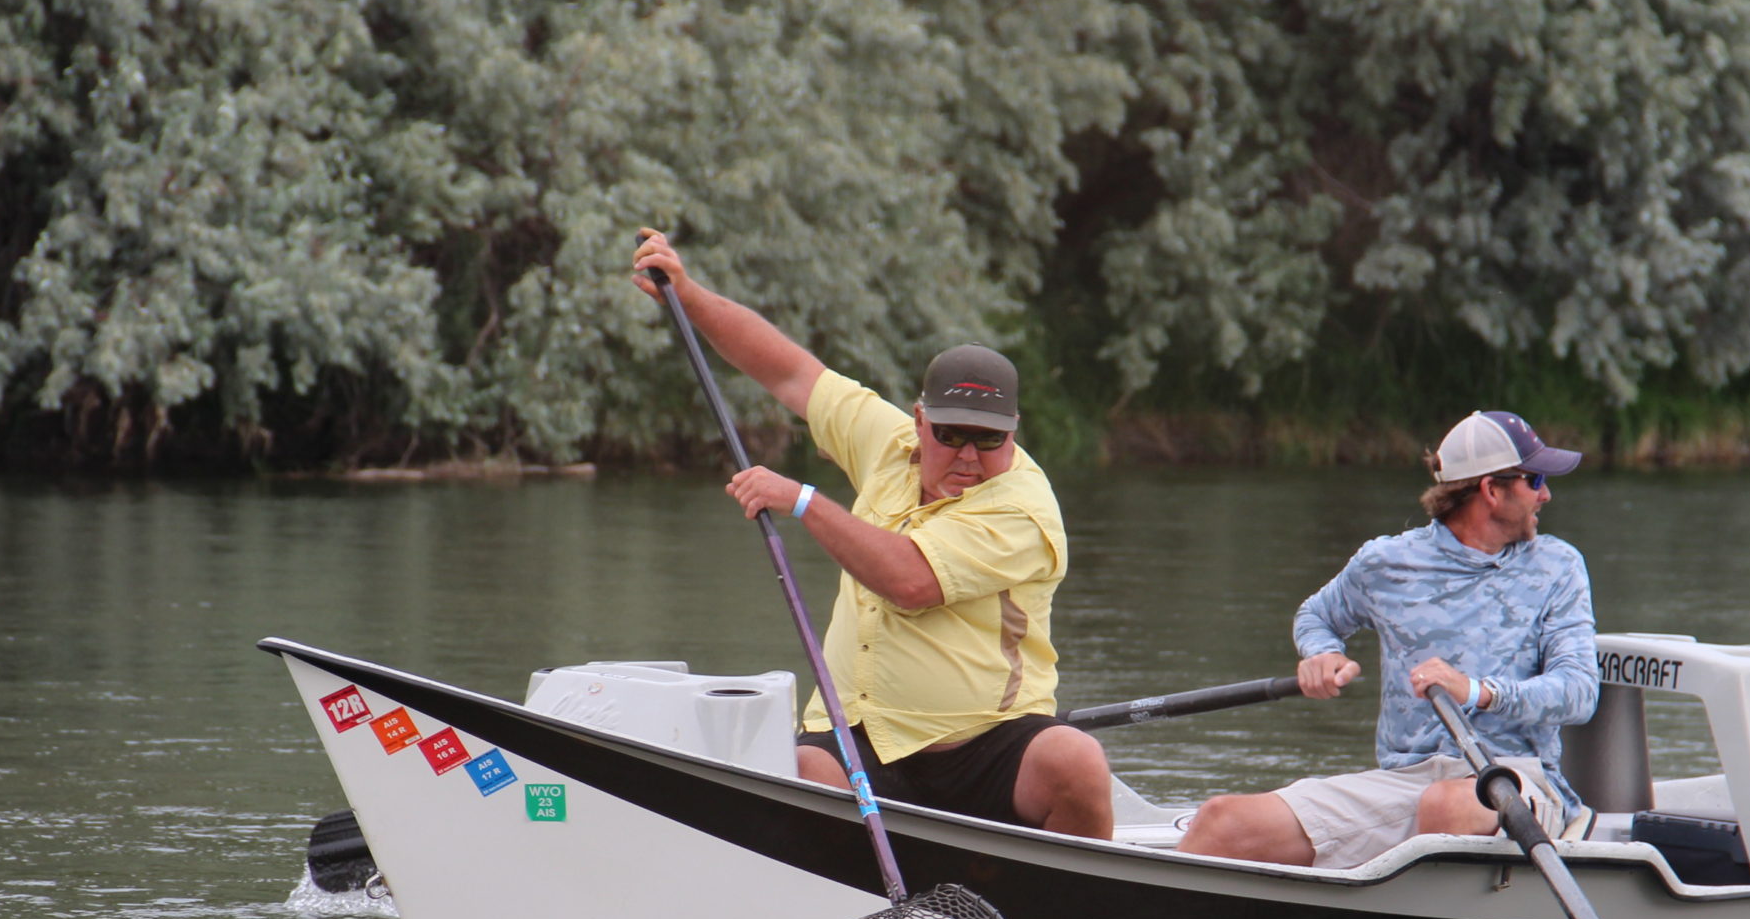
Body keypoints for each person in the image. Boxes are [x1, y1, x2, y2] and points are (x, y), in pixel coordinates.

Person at [629, 229, 1113, 838]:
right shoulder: (891, 444)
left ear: (1013, 432)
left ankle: (1077, 911)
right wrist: (690, 296)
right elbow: (788, 374)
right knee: (801, 770)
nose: (967, 455)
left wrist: (803, 500)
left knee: (1077, 760)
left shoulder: (1022, 509)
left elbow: (908, 579)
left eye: (988, 438)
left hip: (988, 745)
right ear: (920, 421)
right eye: (951, 434)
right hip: (857, 736)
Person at [1176, 410, 1597, 867]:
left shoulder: (1558, 566)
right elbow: (1317, 616)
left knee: (1446, 806)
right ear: (1492, 490)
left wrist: (1476, 691)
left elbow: (1578, 693)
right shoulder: (1386, 562)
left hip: (1517, 779)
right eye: (1535, 480)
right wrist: (1322, 653)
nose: (1547, 494)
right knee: (1221, 821)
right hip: (1405, 782)